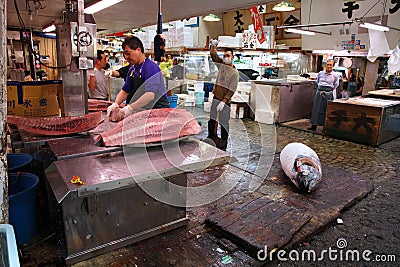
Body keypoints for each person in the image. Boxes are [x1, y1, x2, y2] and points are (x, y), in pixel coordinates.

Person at [107, 36, 169, 121]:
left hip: (158, 113)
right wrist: (116, 104)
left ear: (138, 50)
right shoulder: (132, 69)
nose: (126, 57)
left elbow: (150, 95)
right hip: (145, 112)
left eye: (128, 53)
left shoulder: (150, 67)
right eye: (124, 54)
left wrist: (130, 107)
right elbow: (125, 91)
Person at [205, 42, 239, 151]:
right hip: (216, 98)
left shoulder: (234, 73)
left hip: (225, 101)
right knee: (212, 120)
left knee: (224, 122)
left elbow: (231, 90)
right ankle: (211, 137)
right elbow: (213, 56)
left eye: (228, 56)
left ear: (232, 57)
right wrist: (213, 46)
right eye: (224, 56)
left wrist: (224, 101)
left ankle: (223, 143)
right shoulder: (221, 66)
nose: (225, 58)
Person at [308, 59, 339, 131]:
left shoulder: (335, 75)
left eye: (330, 65)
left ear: (333, 66)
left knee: (325, 110)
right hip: (319, 92)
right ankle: (314, 125)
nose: (329, 66)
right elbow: (317, 81)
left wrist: (328, 90)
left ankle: (325, 127)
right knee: (316, 109)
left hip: (328, 93)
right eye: (328, 64)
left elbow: (336, 85)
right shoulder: (320, 73)